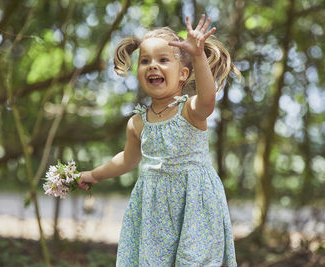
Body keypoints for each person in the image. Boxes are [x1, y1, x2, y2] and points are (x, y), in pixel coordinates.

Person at [78, 14, 240, 266]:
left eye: (163, 60)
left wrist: (197, 55)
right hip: (154, 208)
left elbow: (208, 99)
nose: (153, 66)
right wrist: (95, 175)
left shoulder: (190, 110)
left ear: (183, 74)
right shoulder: (137, 123)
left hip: (194, 204)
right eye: (145, 61)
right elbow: (127, 159)